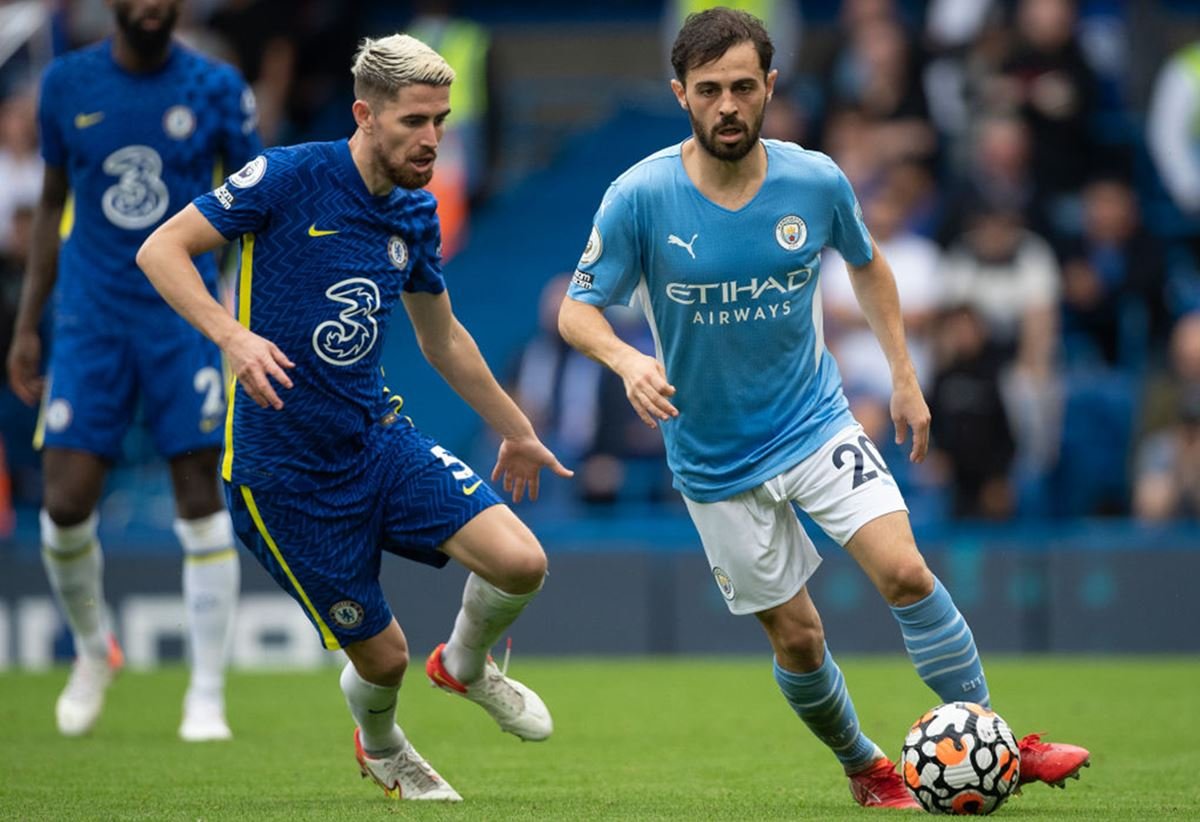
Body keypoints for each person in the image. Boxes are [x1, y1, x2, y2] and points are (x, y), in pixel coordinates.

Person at [557, 8, 1090, 810]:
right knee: (799, 638)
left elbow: (869, 268)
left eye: (743, 86)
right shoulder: (640, 196)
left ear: (771, 86)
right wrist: (629, 359)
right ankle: (866, 769)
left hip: (814, 421)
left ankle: (1003, 740)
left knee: (907, 571)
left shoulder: (814, 179)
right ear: (681, 95)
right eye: (709, 91)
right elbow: (577, 311)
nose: (728, 105)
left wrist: (907, 377)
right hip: (711, 459)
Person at [137, 33, 571, 802]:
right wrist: (231, 336)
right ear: (365, 115)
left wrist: (516, 428)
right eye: (414, 121)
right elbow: (163, 250)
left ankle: (466, 665)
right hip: (283, 473)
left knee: (521, 561)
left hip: (376, 439)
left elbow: (444, 341)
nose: (432, 138)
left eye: (440, 119)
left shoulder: (413, 209)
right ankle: (382, 745)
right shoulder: (289, 175)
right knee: (384, 660)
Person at [6, 0, 261, 741]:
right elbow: (54, 202)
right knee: (64, 505)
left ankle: (206, 694)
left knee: (197, 493)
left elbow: (255, 205)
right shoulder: (66, 84)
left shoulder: (215, 87)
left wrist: (243, 320)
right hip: (90, 316)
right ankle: (94, 651)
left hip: (180, 319)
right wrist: (29, 326)